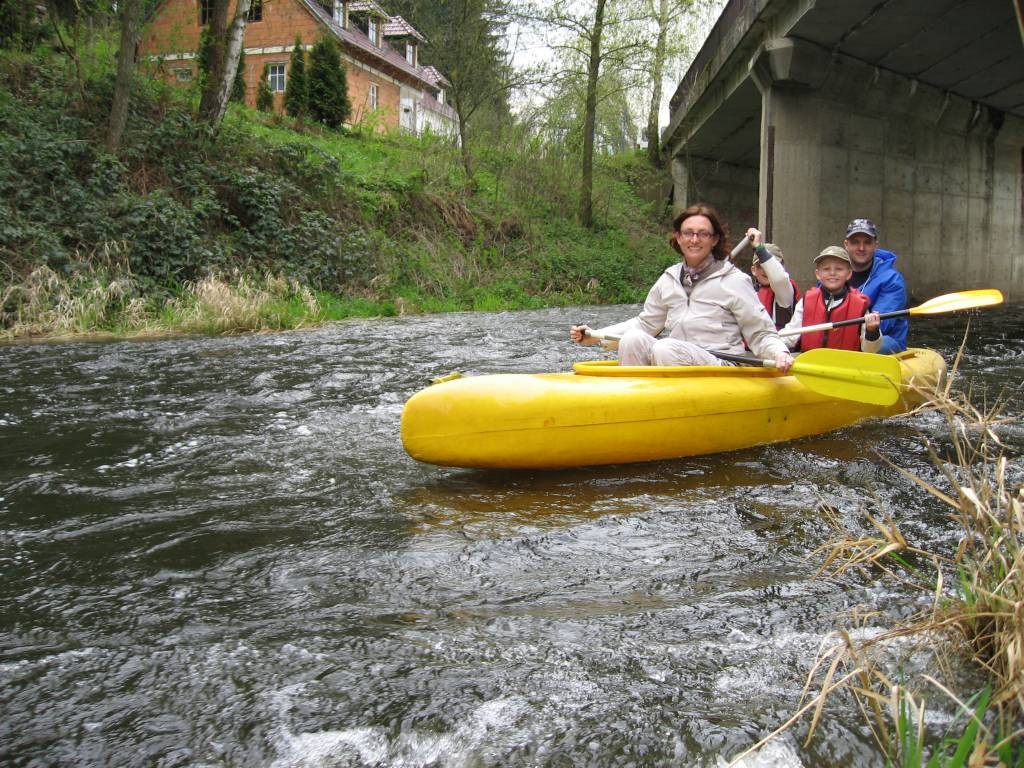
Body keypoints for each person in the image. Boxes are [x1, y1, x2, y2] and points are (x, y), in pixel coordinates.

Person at [569, 203, 793, 372]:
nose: (694, 240)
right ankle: (632, 406)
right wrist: (598, 336)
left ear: (714, 240)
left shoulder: (734, 280)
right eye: (688, 233)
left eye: (703, 234)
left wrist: (779, 353)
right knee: (633, 339)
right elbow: (645, 323)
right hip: (676, 357)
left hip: (722, 365)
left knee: (665, 348)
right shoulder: (669, 278)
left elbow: (760, 332)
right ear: (678, 237)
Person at [781, 246, 883, 352]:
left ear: (849, 274)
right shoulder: (806, 300)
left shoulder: (860, 304)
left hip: (845, 362)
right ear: (818, 274)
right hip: (811, 360)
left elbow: (870, 350)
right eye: (826, 269)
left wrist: (872, 332)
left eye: (839, 269)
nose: (832, 273)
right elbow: (790, 337)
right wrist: (774, 344)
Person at [842, 218, 907, 353]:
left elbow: (882, 325)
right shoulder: (833, 275)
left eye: (867, 242)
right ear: (846, 245)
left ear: (875, 245)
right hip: (842, 336)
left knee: (876, 344)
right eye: (855, 242)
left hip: (883, 341)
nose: (861, 248)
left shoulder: (892, 280)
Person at [746, 228, 800, 329]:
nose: (766, 270)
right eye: (760, 266)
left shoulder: (786, 290)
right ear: (753, 270)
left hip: (779, 339)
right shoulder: (747, 292)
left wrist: (759, 248)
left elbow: (778, 278)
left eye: (769, 266)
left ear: (782, 268)